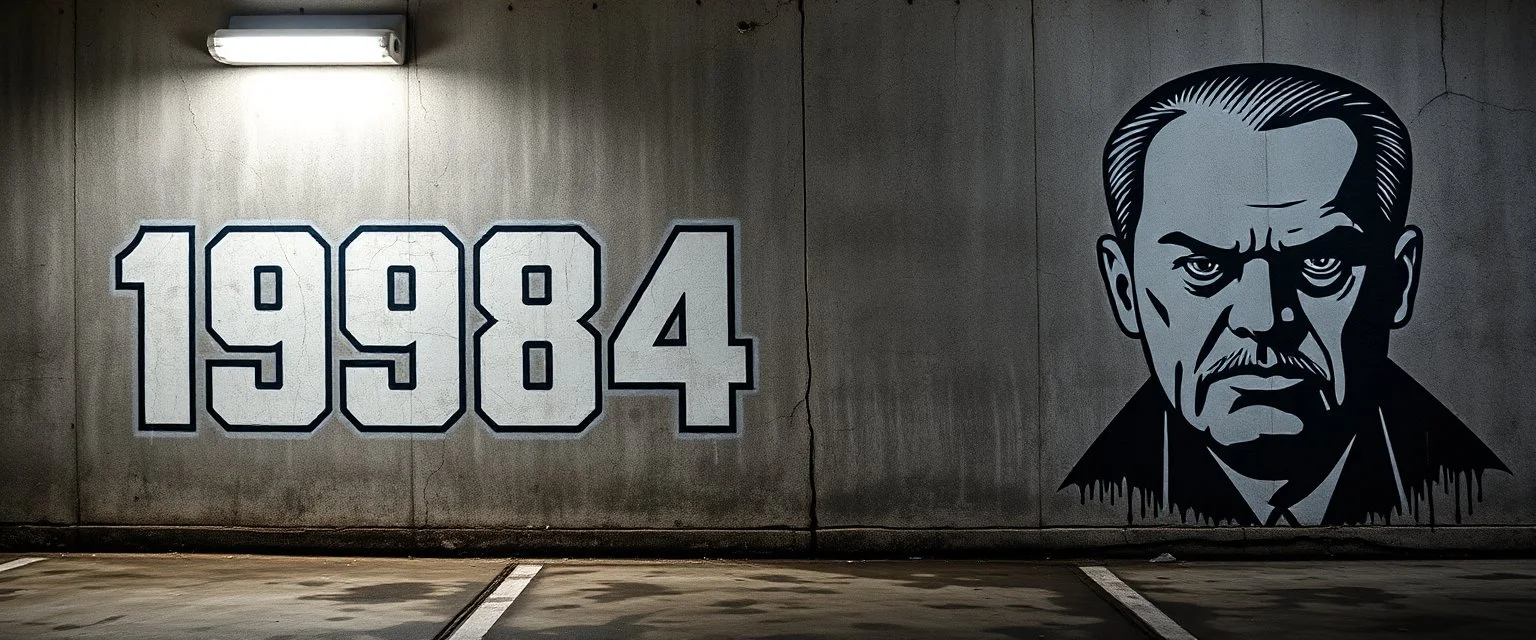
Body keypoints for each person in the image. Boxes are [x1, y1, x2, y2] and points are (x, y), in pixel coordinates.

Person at [1060, 63, 1507, 526]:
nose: (1264, 318)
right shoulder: (1087, 503)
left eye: (1320, 263)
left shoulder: (1479, 493)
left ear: (1398, 282)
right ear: (1124, 288)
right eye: (1204, 266)